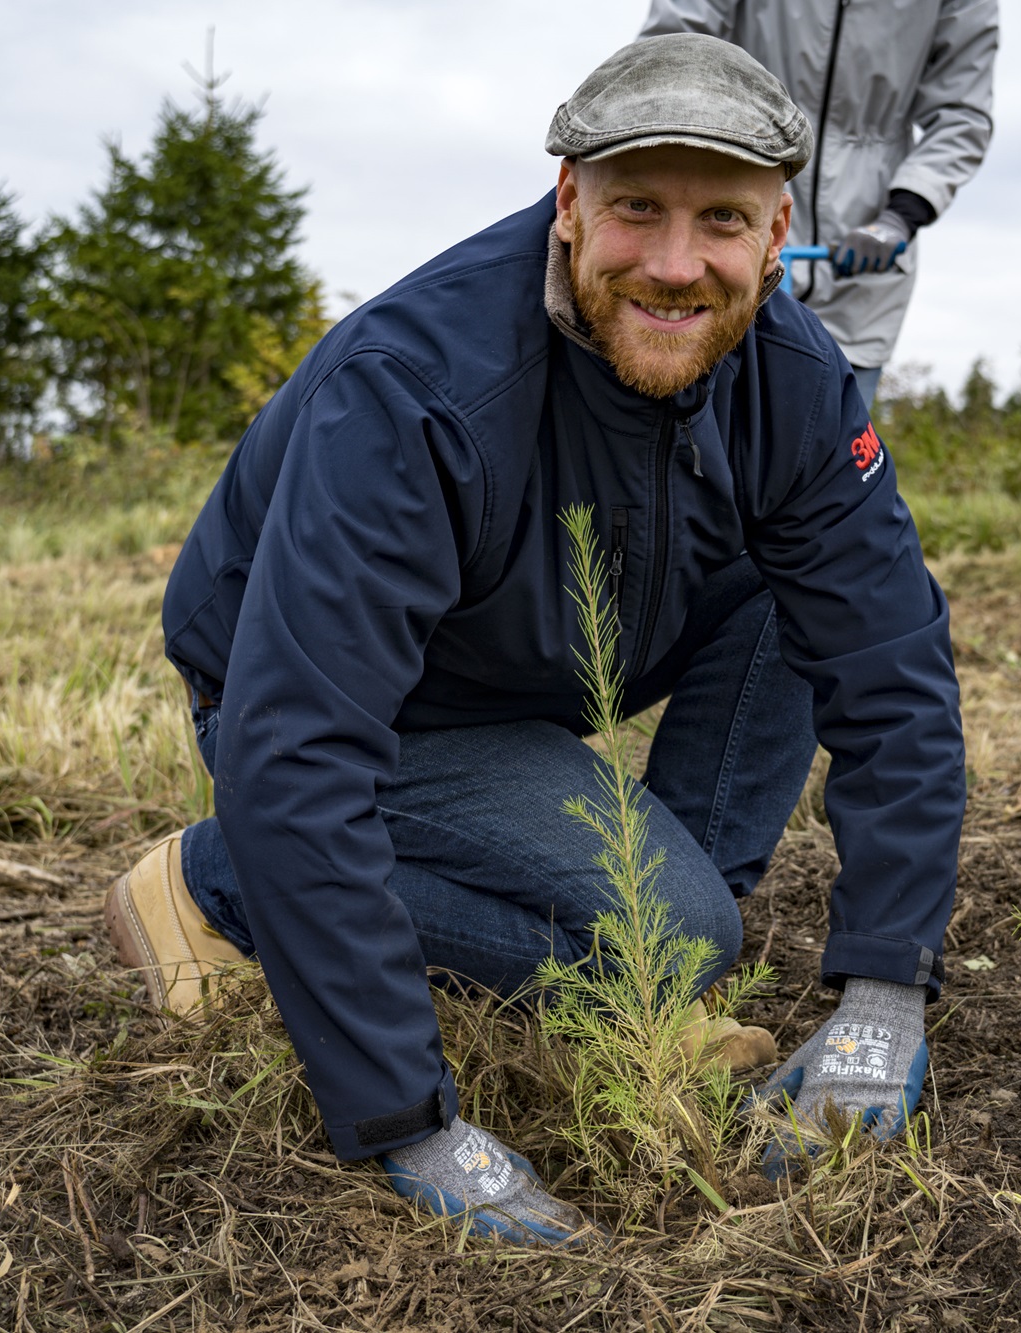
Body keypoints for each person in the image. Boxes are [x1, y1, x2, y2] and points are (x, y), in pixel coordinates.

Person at [105, 34, 965, 1246]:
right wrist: (407, 1119)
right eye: (634, 210)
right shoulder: (412, 387)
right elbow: (298, 742)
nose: (676, 265)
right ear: (568, 205)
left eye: (720, 218)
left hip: (526, 660)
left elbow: (892, 671)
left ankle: (657, 972)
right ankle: (213, 878)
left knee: (795, 601)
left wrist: (885, 992)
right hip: (328, 701)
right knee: (656, 926)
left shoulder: (799, 387)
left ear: (779, 234)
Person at [639, 0, 998, 411]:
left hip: (862, 268)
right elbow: (668, 55)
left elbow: (961, 117)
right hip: (732, 231)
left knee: (831, 443)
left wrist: (897, 219)